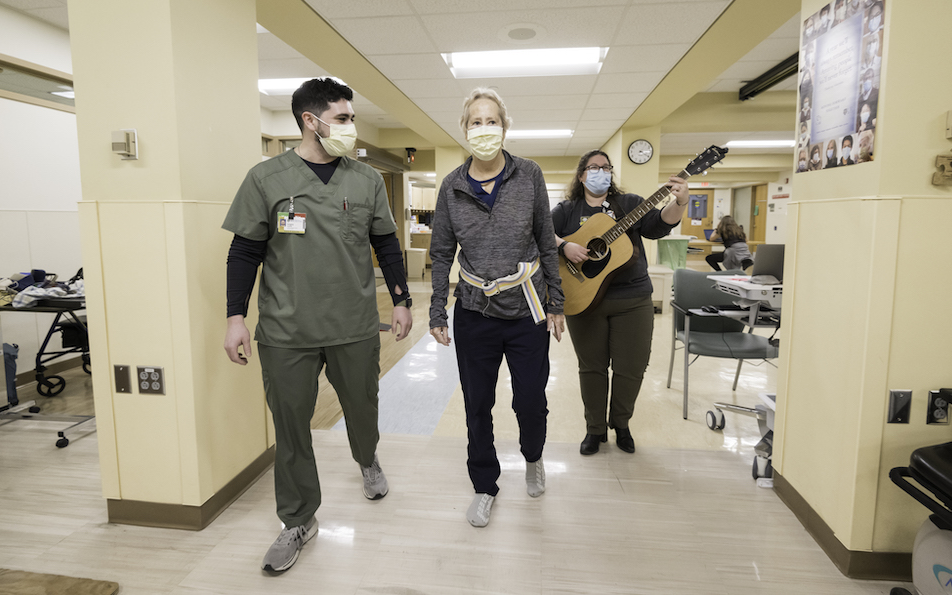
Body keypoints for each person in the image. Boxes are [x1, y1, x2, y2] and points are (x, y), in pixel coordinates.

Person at [222, 77, 413, 574]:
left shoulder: (366, 180)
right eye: (344, 118)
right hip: (286, 331)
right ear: (312, 120)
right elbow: (244, 252)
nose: (351, 127)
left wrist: (401, 299)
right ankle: (298, 519)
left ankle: (367, 458)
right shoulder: (266, 179)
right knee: (290, 428)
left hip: (352, 324)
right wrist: (235, 317)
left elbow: (387, 246)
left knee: (362, 405)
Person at [428, 87, 565, 529]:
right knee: (476, 404)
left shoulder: (528, 175)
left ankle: (533, 456)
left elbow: (547, 239)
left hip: (527, 310)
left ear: (505, 127)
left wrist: (557, 302)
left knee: (529, 400)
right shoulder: (451, 186)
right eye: (475, 122)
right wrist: (436, 311)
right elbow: (441, 251)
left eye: (492, 121)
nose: (483, 129)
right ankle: (485, 485)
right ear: (464, 129)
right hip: (474, 311)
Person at [551, 151, 689, 457]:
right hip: (584, 300)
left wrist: (679, 203)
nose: (601, 172)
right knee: (592, 369)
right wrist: (565, 245)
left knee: (631, 368)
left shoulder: (629, 205)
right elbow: (540, 233)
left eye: (606, 167)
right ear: (582, 175)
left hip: (633, 299)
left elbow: (656, 226)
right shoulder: (567, 210)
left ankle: (621, 424)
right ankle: (594, 429)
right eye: (594, 168)